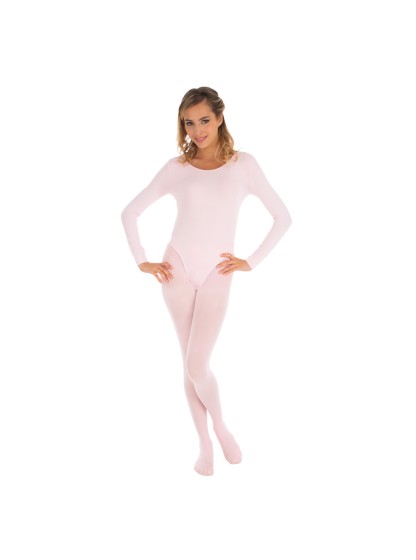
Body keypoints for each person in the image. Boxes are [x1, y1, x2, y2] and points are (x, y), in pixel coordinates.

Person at [121, 86, 292, 476]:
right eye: (188, 123)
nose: (197, 130)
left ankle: (220, 427)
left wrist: (251, 261)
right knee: (190, 364)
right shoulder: (176, 169)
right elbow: (130, 212)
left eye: (203, 120)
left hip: (218, 271)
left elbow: (283, 217)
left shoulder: (243, 165)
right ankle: (204, 445)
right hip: (176, 268)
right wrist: (142, 260)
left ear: (219, 118)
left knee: (197, 365)